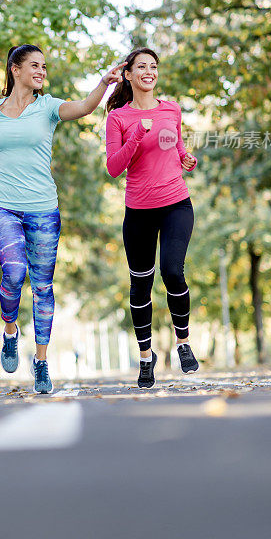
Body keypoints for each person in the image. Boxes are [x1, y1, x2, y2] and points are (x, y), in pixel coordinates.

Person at [0, 44, 124, 394]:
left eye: (44, 66)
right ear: (15, 69)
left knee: (42, 286)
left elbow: (86, 107)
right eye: (35, 65)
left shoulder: (49, 107)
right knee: (13, 272)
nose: (42, 71)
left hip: (43, 207)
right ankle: (9, 331)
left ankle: (41, 363)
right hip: (2, 205)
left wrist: (104, 84)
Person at [105, 47, 199, 389]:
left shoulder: (171, 109)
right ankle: (146, 358)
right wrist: (135, 136)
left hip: (176, 202)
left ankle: (183, 343)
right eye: (141, 66)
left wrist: (186, 157)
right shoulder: (118, 117)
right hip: (139, 211)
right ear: (128, 75)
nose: (149, 71)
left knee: (173, 271)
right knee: (141, 284)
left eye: (153, 66)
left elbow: (175, 147)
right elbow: (114, 167)